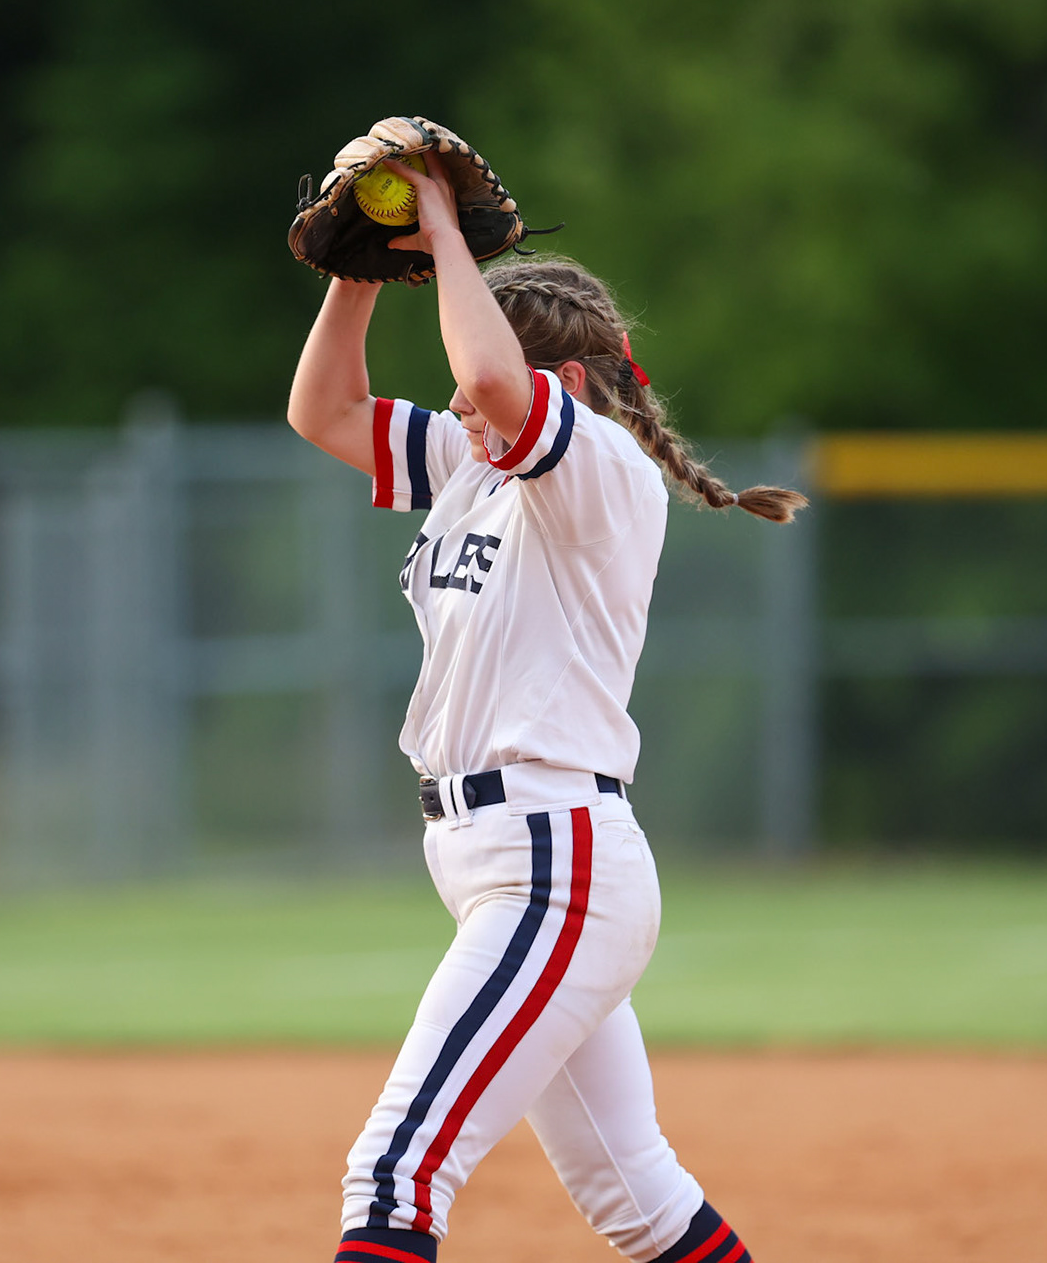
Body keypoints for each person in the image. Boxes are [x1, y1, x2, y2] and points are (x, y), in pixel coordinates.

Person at [287, 153, 803, 1263]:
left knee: (396, 1167)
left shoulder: (597, 466)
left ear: (562, 383)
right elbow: (324, 408)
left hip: (551, 859)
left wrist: (442, 226)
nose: (461, 408)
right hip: (508, 863)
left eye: (481, 393)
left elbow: (492, 375)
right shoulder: (479, 466)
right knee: (638, 1197)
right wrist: (365, 268)